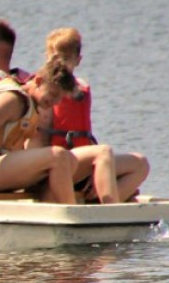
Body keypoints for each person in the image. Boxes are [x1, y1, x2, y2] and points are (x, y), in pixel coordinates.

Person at [37, 27, 149, 203]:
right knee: (104, 152)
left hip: (83, 161)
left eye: (66, 59)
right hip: (62, 165)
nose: (61, 64)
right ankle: (110, 213)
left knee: (141, 164)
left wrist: (98, 169)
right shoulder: (47, 94)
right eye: (55, 58)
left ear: (78, 60)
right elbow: (39, 142)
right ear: (47, 59)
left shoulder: (81, 89)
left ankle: (102, 202)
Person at [0, 56, 80, 206]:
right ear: (38, 81)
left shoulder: (29, 104)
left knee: (70, 161)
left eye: (60, 99)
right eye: (53, 95)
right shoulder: (12, 101)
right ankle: (72, 216)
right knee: (59, 156)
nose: (55, 103)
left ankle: (47, 215)